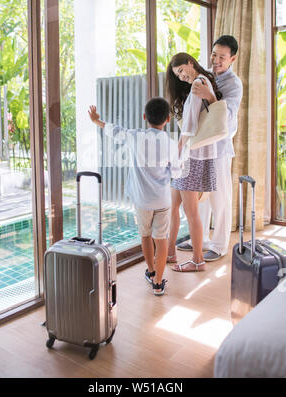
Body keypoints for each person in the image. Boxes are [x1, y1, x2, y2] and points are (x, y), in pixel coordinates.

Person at [88, 97, 182, 295]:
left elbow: (115, 131)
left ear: (144, 117)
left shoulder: (135, 136)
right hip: (163, 200)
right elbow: (176, 172)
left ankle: (150, 270)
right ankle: (158, 282)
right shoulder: (171, 144)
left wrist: (97, 120)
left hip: (142, 201)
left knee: (145, 235)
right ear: (167, 119)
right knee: (161, 240)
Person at [177, 35, 243, 261]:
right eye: (214, 55)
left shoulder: (234, 84)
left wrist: (210, 96)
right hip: (201, 147)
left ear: (232, 58)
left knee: (220, 197)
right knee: (201, 193)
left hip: (219, 148)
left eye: (222, 57)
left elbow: (229, 118)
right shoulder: (206, 75)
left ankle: (220, 244)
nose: (216, 60)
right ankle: (201, 237)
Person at [166, 52, 222, 272]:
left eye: (181, 71)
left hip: (191, 156)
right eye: (177, 75)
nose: (181, 77)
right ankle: (171, 251)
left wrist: (177, 150)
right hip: (192, 155)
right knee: (174, 206)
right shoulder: (203, 81)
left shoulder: (199, 83)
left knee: (191, 213)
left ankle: (198, 260)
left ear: (190, 63)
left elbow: (189, 126)